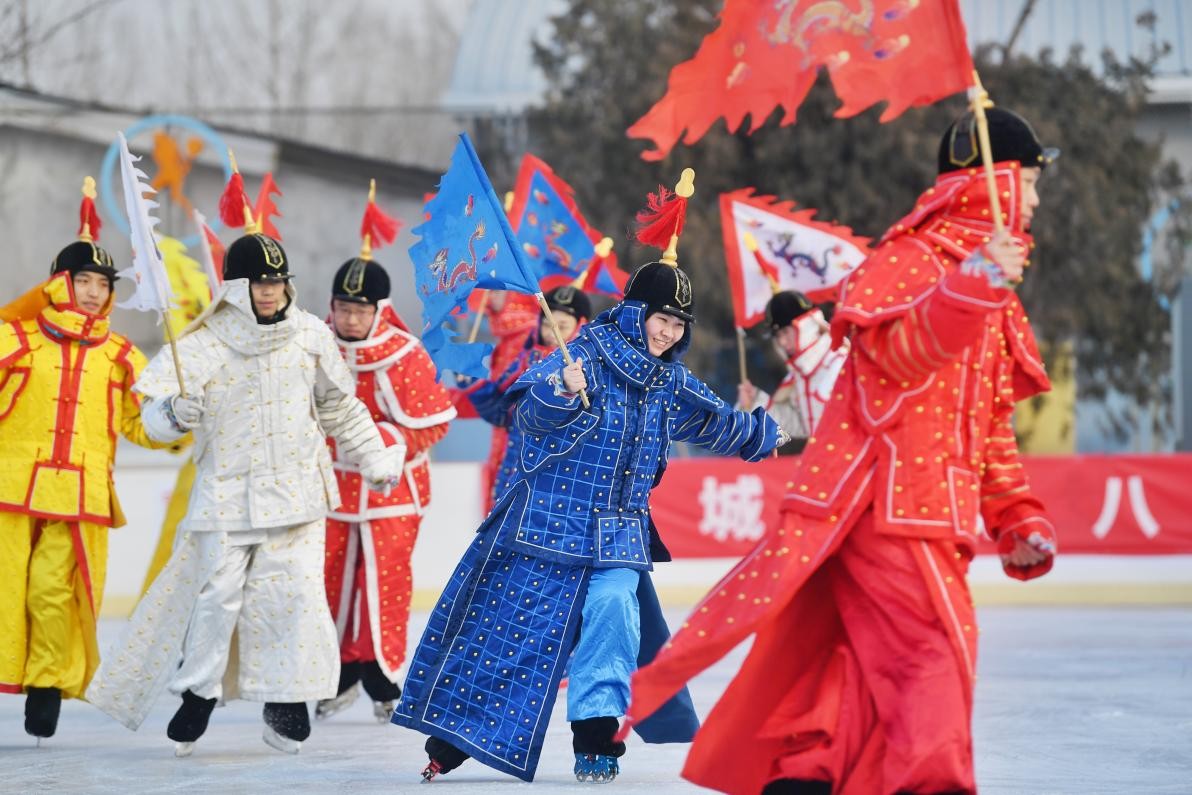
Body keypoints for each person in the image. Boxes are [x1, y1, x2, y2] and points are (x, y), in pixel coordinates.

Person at [619, 107, 1060, 795]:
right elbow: (897, 357)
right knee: (932, 660)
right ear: (993, 183)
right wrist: (972, 284)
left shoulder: (992, 290)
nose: (1034, 199)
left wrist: (1015, 514)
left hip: (921, 513)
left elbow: (987, 422)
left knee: (853, 671)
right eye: (1029, 181)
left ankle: (807, 777)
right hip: (886, 506)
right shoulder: (911, 263)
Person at [393, 233, 789, 783]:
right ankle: (454, 741)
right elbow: (526, 416)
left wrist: (763, 435)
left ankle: (596, 736)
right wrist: (558, 390)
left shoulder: (668, 379)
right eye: (660, 319)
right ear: (634, 313)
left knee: (614, 615)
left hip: (619, 532)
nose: (668, 332)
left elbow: (715, 420)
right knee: (516, 639)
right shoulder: (581, 353)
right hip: (548, 525)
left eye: (678, 325)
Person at [87, 212, 402, 756]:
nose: (269, 292)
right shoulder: (204, 343)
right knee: (217, 598)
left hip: (300, 493)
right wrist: (175, 414)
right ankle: (199, 692)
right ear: (236, 286)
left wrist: (374, 456)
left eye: (277, 282)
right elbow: (151, 418)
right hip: (227, 496)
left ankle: (284, 703)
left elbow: (338, 407)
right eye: (259, 283)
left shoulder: (308, 336)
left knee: (295, 596)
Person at [0, 178, 166, 741]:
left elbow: (137, 425)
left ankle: (46, 684)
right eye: (83, 280)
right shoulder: (14, 341)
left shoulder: (122, 355)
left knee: (52, 593)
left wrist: (178, 419)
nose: (94, 292)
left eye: (102, 283)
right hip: (8, 492)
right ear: (58, 283)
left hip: (80, 497)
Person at [316, 211, 456, 724]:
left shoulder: (403, 353)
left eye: (360, 309)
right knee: (326, 579)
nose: (351, 319)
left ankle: (382, 674)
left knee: (385, 580)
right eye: (343, 308)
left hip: (391, 491)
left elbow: (434, 423)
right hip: (328, 489)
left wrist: (385, 443)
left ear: (380, 309)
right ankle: (332, 671)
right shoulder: (314, 346)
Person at [458, 284, 592, 504]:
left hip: (559, 470)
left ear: (580, 326)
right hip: (512, 457)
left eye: (562, 326)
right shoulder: (527, 356)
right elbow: (503, 413)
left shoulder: (591, 365)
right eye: (548, 324)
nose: (552, 333)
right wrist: (475, 386)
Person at [737, 290, 848, 452]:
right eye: (777, 336)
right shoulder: (800, 376)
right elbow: (802, 424)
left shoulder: (840, 362)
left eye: (785, 332)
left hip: (854, 463)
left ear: (805, 326)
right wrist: (756, 403)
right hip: (824, 463)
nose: (782, 341)